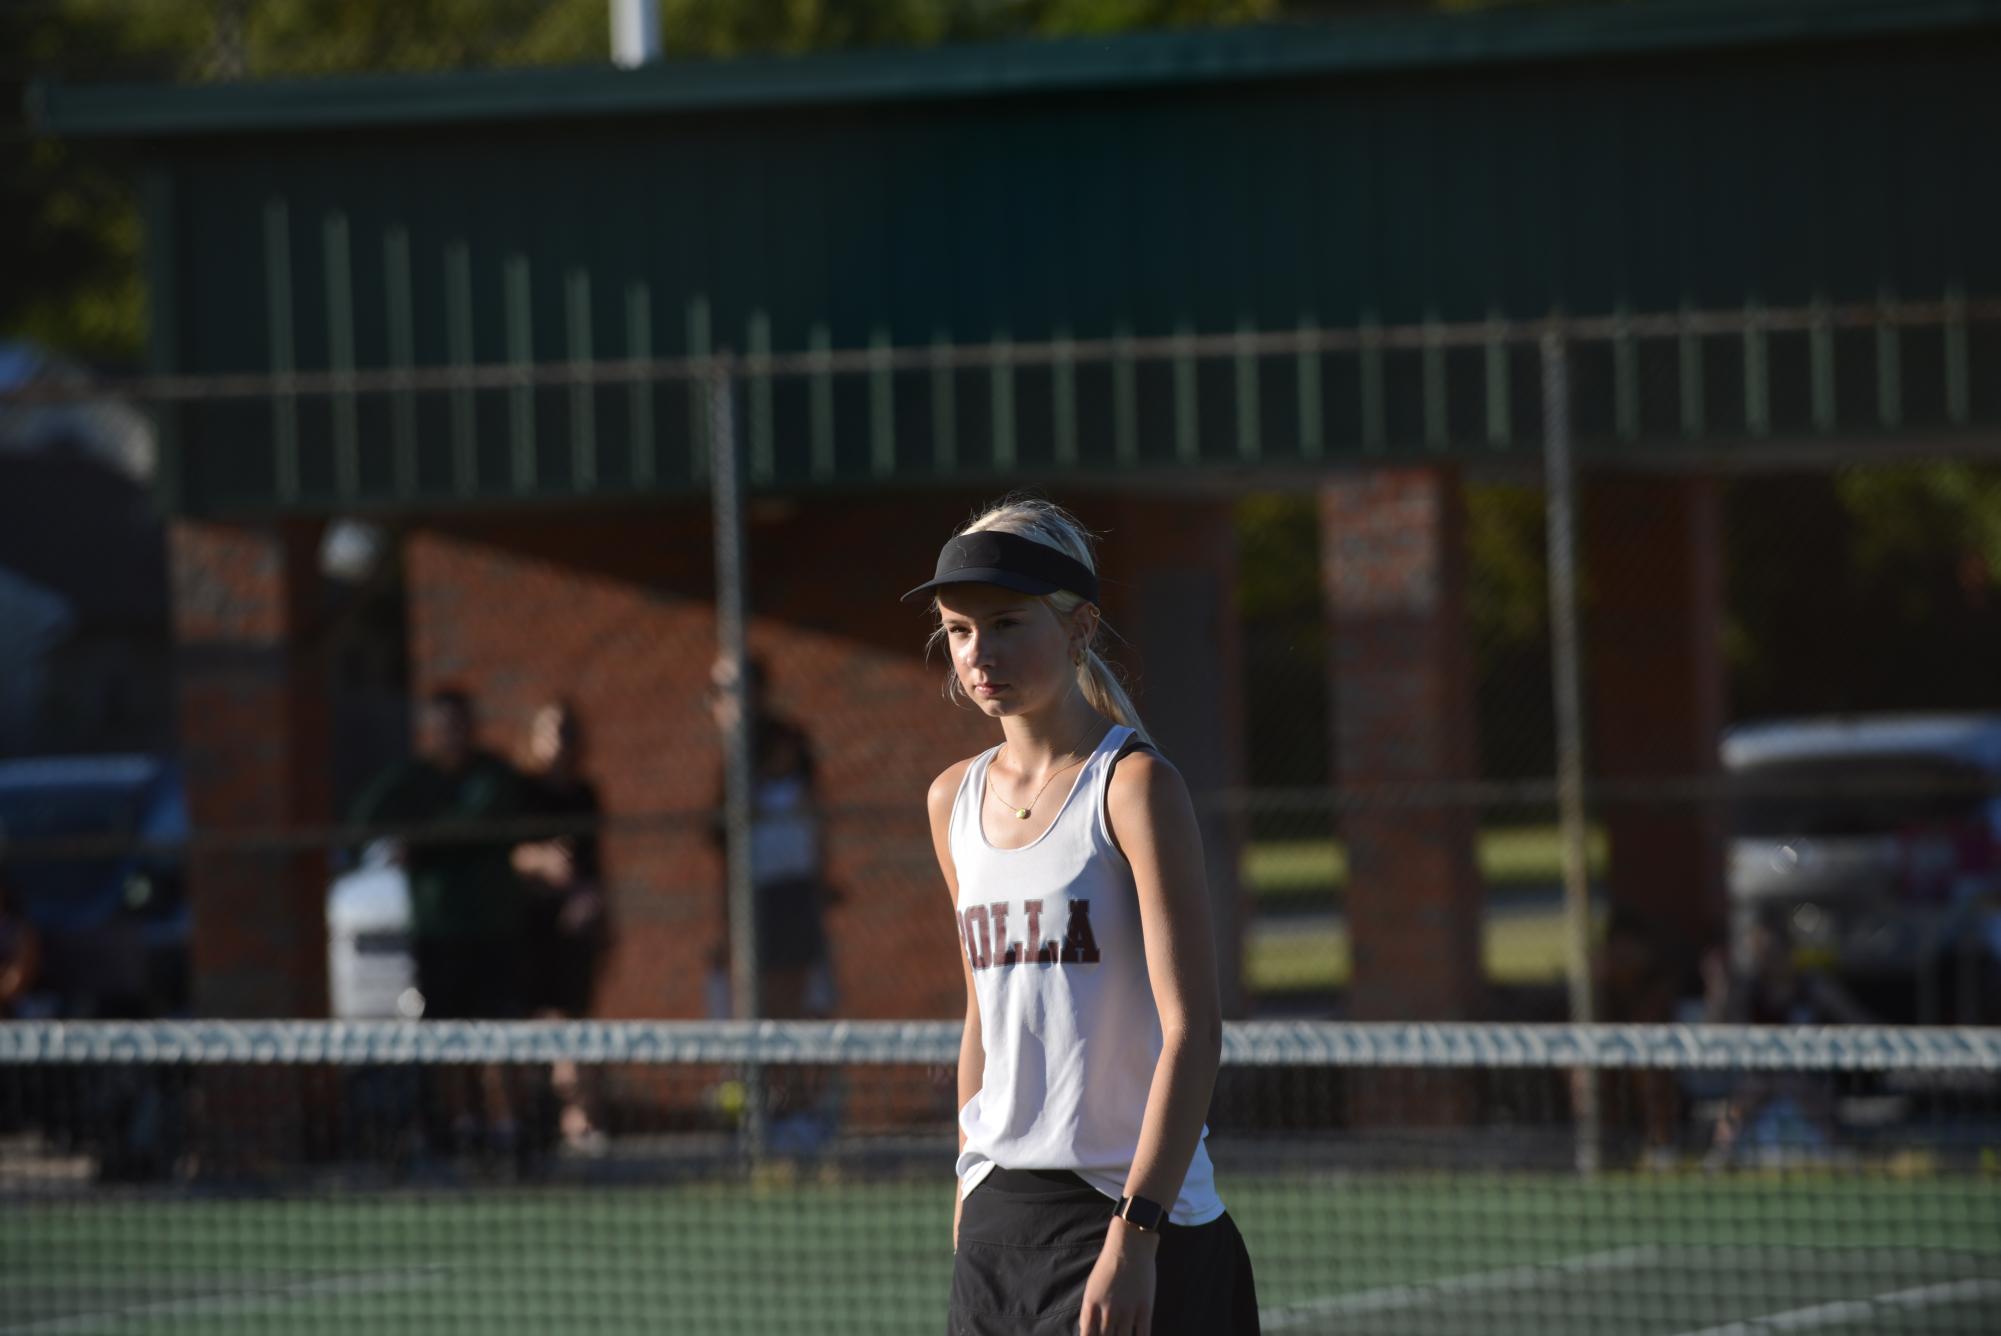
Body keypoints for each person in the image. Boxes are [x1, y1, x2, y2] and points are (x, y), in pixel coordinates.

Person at [911, 496, 1259, 1336]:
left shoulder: (1133, 788)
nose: (978, 653)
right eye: (958, 630)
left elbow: (1193, 1032)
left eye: (1004, 624)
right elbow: (981, 1022)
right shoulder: (951, 799)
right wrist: (968, 1182)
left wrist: (1134, 1237)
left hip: (1135, 1219)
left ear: (1077, 629)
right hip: (1000, 1227)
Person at [349, 686, 527, 1156]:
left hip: (492, 933)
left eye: (462, 723)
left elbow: (475, 823)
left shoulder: (493, 775)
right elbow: (365, 815)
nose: (455, 734)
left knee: (499, 1036)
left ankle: (509, 1133)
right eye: (444, 726)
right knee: (445, 1039)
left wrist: (420, 839)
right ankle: (460, 1128)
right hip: (437, 937)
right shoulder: (413, 777)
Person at [513, 700, 610, 1149]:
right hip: (531, 930)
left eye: (568, 733)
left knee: (574, 1025)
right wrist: (540, 860)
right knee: (535, 1025)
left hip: (576, 934)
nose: (559, 744)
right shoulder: (522, 792)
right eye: (551, 732)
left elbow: (594, 866)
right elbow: (508, 852)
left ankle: (581, 1122)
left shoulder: (585, 795)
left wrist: (591, 902)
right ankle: (536, 1122)